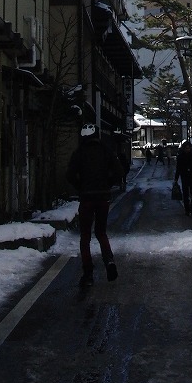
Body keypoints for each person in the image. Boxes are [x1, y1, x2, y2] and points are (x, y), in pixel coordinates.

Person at [66, 123, 123, 287]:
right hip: (103, 197)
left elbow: (70, 175)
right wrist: (108, 184)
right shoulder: (106, 151)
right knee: (101, 232)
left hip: (86, 198)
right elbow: (119, 171)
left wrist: (80, 186)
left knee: (85, 236)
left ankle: (88, 273)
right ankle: (109, 261)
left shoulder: (79, 153)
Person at [174, 140, 192, 215]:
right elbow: (178, 168)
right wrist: (176, 178)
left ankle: (191, 206)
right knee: (185, 194)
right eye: (186, 148)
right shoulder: (180, 157)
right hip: (184, 177)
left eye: (188, 148)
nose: (187, 149)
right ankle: (187, 209)